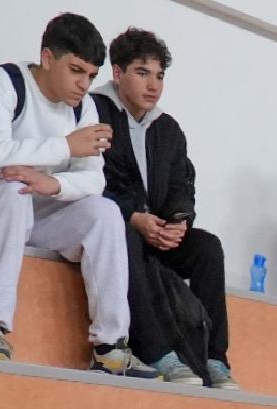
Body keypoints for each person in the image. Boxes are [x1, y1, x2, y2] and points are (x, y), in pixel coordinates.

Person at [0, 13, 157, 377]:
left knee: (105, 213)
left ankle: (111, 346)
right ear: (47, 58)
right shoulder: (7, 81)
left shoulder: (85, 107)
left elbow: (95, 182)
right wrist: (64, 147)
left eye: (90, 75)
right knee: (13, 190)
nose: (83, 83)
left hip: (35, 200)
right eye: (75, 70)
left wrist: (54, 185)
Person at [93, 27, 236, 389]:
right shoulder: (94, 111)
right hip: (118, 227)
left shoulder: (168, 128)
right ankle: (158, 352)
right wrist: (133, 216)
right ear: (118, 73)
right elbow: (94, 180)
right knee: (124, 234)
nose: (153, 84)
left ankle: (215, 359)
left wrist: (178, 221)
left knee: (207, 247)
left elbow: (181, 184)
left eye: (159, 75)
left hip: (155, 230)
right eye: (142, 73)